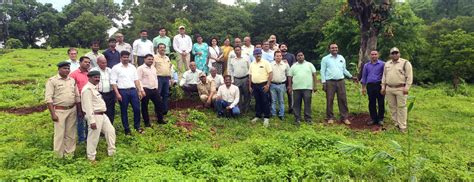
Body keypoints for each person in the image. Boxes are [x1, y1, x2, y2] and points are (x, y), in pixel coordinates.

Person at [44, 61, 81, 157]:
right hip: (59, 111)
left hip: (72, 109)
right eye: (64, 68)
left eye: (68, 68)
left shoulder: (72, 80)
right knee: (59, 134)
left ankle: (70, 154)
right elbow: (48, 99)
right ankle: (58, 156)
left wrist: (79, 110)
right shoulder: (52, 81)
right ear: (59, 69)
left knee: (71, 133)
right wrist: (53, 114)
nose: (67, 70)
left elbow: (77, 96)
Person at [81, 70, 116, 162]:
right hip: (95, 116)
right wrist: (91, 121)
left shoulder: (94, 88)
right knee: (93, 137)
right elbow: (88, 107)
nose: (97, 79)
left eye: (98, 77)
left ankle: (112, 153)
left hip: (102, 115)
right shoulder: (87, 89)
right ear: (89, 78)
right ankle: (91, 158)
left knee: (111, 131)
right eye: (95, 77)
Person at [321, 43, 358, 125]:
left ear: (338, 49)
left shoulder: (341, 58)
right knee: (329, 99)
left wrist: (351, 77)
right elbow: (322, 71)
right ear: (329, 49)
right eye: (332, 48)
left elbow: (344, 70)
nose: (334, 49)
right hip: (330, 82)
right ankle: (330, 117)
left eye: (336, 48)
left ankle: (344, 117)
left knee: (343, 99)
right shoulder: (325, 59)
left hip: (341, 81)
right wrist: (323, 82)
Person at [111, 51, 145, 135]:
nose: (126, 59)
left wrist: (139, 90)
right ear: (121, 58)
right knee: (124, 110)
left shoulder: (132, 67)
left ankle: (137, 126)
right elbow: (113, 82)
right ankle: (127, 129)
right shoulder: (116, 68)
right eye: (124, 57)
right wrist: (117, 93)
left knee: (137, 109)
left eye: (127, 57)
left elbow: (136, 80)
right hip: (122, 91)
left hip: (133, 91)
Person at [381, 47, 413, 133]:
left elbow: (409, 77)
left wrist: (407, 87)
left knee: (402, 107)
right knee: (392, 107)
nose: (395, 54)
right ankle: (396, 124)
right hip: (389, 88)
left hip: (400, 88)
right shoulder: (387, 64)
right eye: (393, 53)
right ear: (390, 55)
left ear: (399, 53)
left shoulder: (405, 63)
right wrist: (383, 87)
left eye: (396, 53)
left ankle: (402, 126)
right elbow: (384, 76)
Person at [288, 51, 318, 125]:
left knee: (307, 103)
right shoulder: (293, 66)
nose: (300, 56)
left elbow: (314, 75)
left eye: (301, 55)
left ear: (304, 56)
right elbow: (289, 77)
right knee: (296, 104)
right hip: (296, 88)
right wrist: (290, 86)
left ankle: (308, 119)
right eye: (298, 55)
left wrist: (315, 86)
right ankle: (297, 118)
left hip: (307, 88)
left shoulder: (309, 64)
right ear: (296, 57)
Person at [137, 54, 166, 126]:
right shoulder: (140, 68)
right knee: (144, 106)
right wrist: (141, 90)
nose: (151, 61)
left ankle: (160, 119)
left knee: (159, 104)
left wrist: (156, 87)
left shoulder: (153, 68)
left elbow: (155, 78)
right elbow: (138, 80)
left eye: (152, 59)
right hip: (145, 89)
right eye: (149, 59)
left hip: (154, 89)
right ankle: (147, 122)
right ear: (145, 59)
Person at [249, 48, 273, 127]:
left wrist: (268, 85)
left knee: (265, 101)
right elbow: (250, 75)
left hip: (263, 84)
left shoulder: (266, 63)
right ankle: (258, 115)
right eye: (256, 54)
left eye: (259, 54)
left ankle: (266, 117)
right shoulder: (252, 64)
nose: (258, 55)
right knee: (257, 101)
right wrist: (250, 86)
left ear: (261, 54)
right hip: (254, 85)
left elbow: (270, 74)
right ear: (254, 55)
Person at [69, 56, 91, 142]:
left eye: (89, 62)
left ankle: (89, 137)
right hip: (79, 99)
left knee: (89, 117)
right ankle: (81, 139)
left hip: (89, 98)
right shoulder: (73, 74)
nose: (87, 64)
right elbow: (71, 88)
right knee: (80, 117)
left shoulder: (90, 74)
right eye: (85, 62)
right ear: (80, 63)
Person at [361, 50, 385, 126]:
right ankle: (373, 118)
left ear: (378, 55)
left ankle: (380, 119)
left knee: (381, 102)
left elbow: (385, 75)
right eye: (372, 54)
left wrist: (384, 86)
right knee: (371, 102)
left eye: (375, 54)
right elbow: (364, 77)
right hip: (370, 86)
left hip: (379, 85)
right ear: (370, 55)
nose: (374, 56)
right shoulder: (366, 65)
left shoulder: (382, 64)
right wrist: (363, 88)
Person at [90, 56, 116, 124]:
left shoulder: (110, 70)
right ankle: (100, 128)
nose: (104, 64)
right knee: (100, 111)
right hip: (99, 94)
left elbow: (114, 81)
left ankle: (109, 127)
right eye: (102, 63)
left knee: (110, 111)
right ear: (98, 63)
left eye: (105, 63)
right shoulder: (93, 71)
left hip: (110, 93)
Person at [228, 46, 251, 113]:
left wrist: (249, 79)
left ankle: (246, 108)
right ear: (234, 51)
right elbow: (230, 70)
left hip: (245, 78)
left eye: (238, 50)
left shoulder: (246, 58)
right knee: (238, 94)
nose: (237, 51)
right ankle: (240, 108)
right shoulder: (232, 60)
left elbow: (250, 68)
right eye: (236, 50)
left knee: (247, 94)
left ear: (241, 50)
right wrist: (232, 80)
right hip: (236, 79)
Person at [270, 51, 290, 120]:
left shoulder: (285, 64)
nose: (278, 57)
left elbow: (288, 75)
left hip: (282, 85)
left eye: (280, 56)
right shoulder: (271, 64)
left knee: (281, 100)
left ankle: (281, 114)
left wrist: (289, 85)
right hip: (272, 84)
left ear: (282, 56)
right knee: (273, 100)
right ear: (274, 57)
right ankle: (273, 113)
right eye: (277, 56)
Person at [154, 43, 172, 115]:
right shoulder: (154, 57)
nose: (162, 49)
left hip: (166, 78)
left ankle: (165, 110)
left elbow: (169, 68)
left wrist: (171, 78)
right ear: (157, 49)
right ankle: (158, 110)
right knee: (158, 94)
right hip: (158, 78)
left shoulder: (167, 58)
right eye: (160, 47)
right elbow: (152, 68)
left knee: (166, 94)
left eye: (163, 47)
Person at [280, 43, 296, 113]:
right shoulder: (278, 56)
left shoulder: (291, 55)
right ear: (279, 48)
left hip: (290, 78)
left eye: (285, 46)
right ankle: (281, 109)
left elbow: (294, 65)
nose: (284, 48)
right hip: (281, 78)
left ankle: (291, 108)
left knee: (290, 93)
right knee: (281, 94)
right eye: (282, 47)